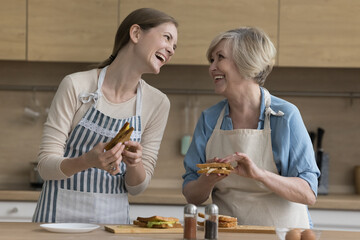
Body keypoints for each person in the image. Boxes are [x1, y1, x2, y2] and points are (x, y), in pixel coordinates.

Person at [32, 8, 178, 224]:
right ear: (136, 33)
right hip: (57, 222)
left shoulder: (157, 103)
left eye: (174, 46)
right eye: (167, 38)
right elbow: (45, 166)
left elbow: (137, 188)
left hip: (112, 225)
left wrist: (136, 163)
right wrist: (86, 161)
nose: (171, 50)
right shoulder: (76, 85)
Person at [182, 27, 320, 228]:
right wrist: (207, 180)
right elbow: (191, 195)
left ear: (247, 61)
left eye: (220, 57)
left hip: (284, 234)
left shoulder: (285, 116)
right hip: (228, 234)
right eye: (211, 60)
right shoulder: (209, 119)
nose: (212, 67)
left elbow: (308, 193)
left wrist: (259, 174)